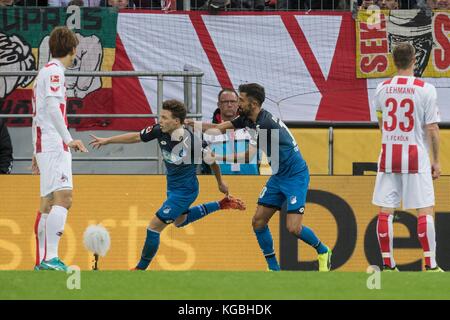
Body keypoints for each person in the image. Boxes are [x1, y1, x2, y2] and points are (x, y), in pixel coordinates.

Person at [187, 83, 332, 272]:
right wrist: (190, 123)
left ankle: (323, 251)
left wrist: (218, 157)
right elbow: (218, 127)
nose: (238, 103)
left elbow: (248, 156)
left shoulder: (265, 125)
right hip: (279, 175)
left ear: (253, 103)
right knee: (258, 221)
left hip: (295, 176)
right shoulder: (248, 117)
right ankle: (273, 268)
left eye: (241, 99)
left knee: (293, 228)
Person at [89, 99, 246, 270]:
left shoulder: (192, 142)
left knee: (154, 227)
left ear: (177, 122)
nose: (160, 121)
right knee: (180, 221)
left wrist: (220, 182)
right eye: (160, 116)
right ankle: (221, 204)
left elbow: (212, 161)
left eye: (164, 117)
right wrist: (108, 140)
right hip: (172, 188)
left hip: (186, 191)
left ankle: (140, 269)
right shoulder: (159, 130)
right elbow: (135, 136)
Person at [372, 43, 443, 272]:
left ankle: (387, 263)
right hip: (415, 154)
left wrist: (390, 140)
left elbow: (382, 123)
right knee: (425, 209)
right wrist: (436, 160)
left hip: (389, 154)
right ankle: (431, 265)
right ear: (415, 60)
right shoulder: (425, 89)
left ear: (394, 61)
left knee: (386, 209)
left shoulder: (381, 88)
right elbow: (432, 128)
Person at [32, 26, 88, 271]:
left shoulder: (44, 72)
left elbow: (37, 115)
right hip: (54, 143)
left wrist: (35, 151)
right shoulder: (55, 72)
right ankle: (51, 258)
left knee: (47, 203)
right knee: (64, 198)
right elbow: (53, 108)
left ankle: (42, 260)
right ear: (73, 49)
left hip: (45, 144)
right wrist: (68, 139)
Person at [204, 88, 259, 175]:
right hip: (220, 183)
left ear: (238, 104)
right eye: (225, 102)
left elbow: (259, 158)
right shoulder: (209, 133)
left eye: (233, 101)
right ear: (218, 104)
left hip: (250, 182)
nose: (229, 105)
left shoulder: (252, 128)